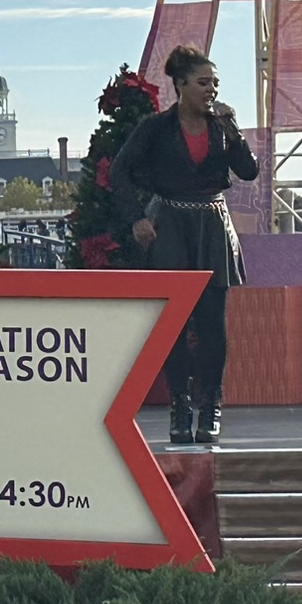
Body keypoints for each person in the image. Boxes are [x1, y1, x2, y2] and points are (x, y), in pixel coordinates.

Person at [112, 46, 259, 444]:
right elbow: (119, 171)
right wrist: (136, 218)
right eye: (203, 82)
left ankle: (210, 405)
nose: (211, 90)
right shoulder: (156, 128)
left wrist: (234, 132)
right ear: (180, 85)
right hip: (170, 223)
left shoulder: (222, 126)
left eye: (215, 83)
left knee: (212, 324)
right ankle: (179, 406)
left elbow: (248, 171)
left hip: (212, 223)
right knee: (173, 324)